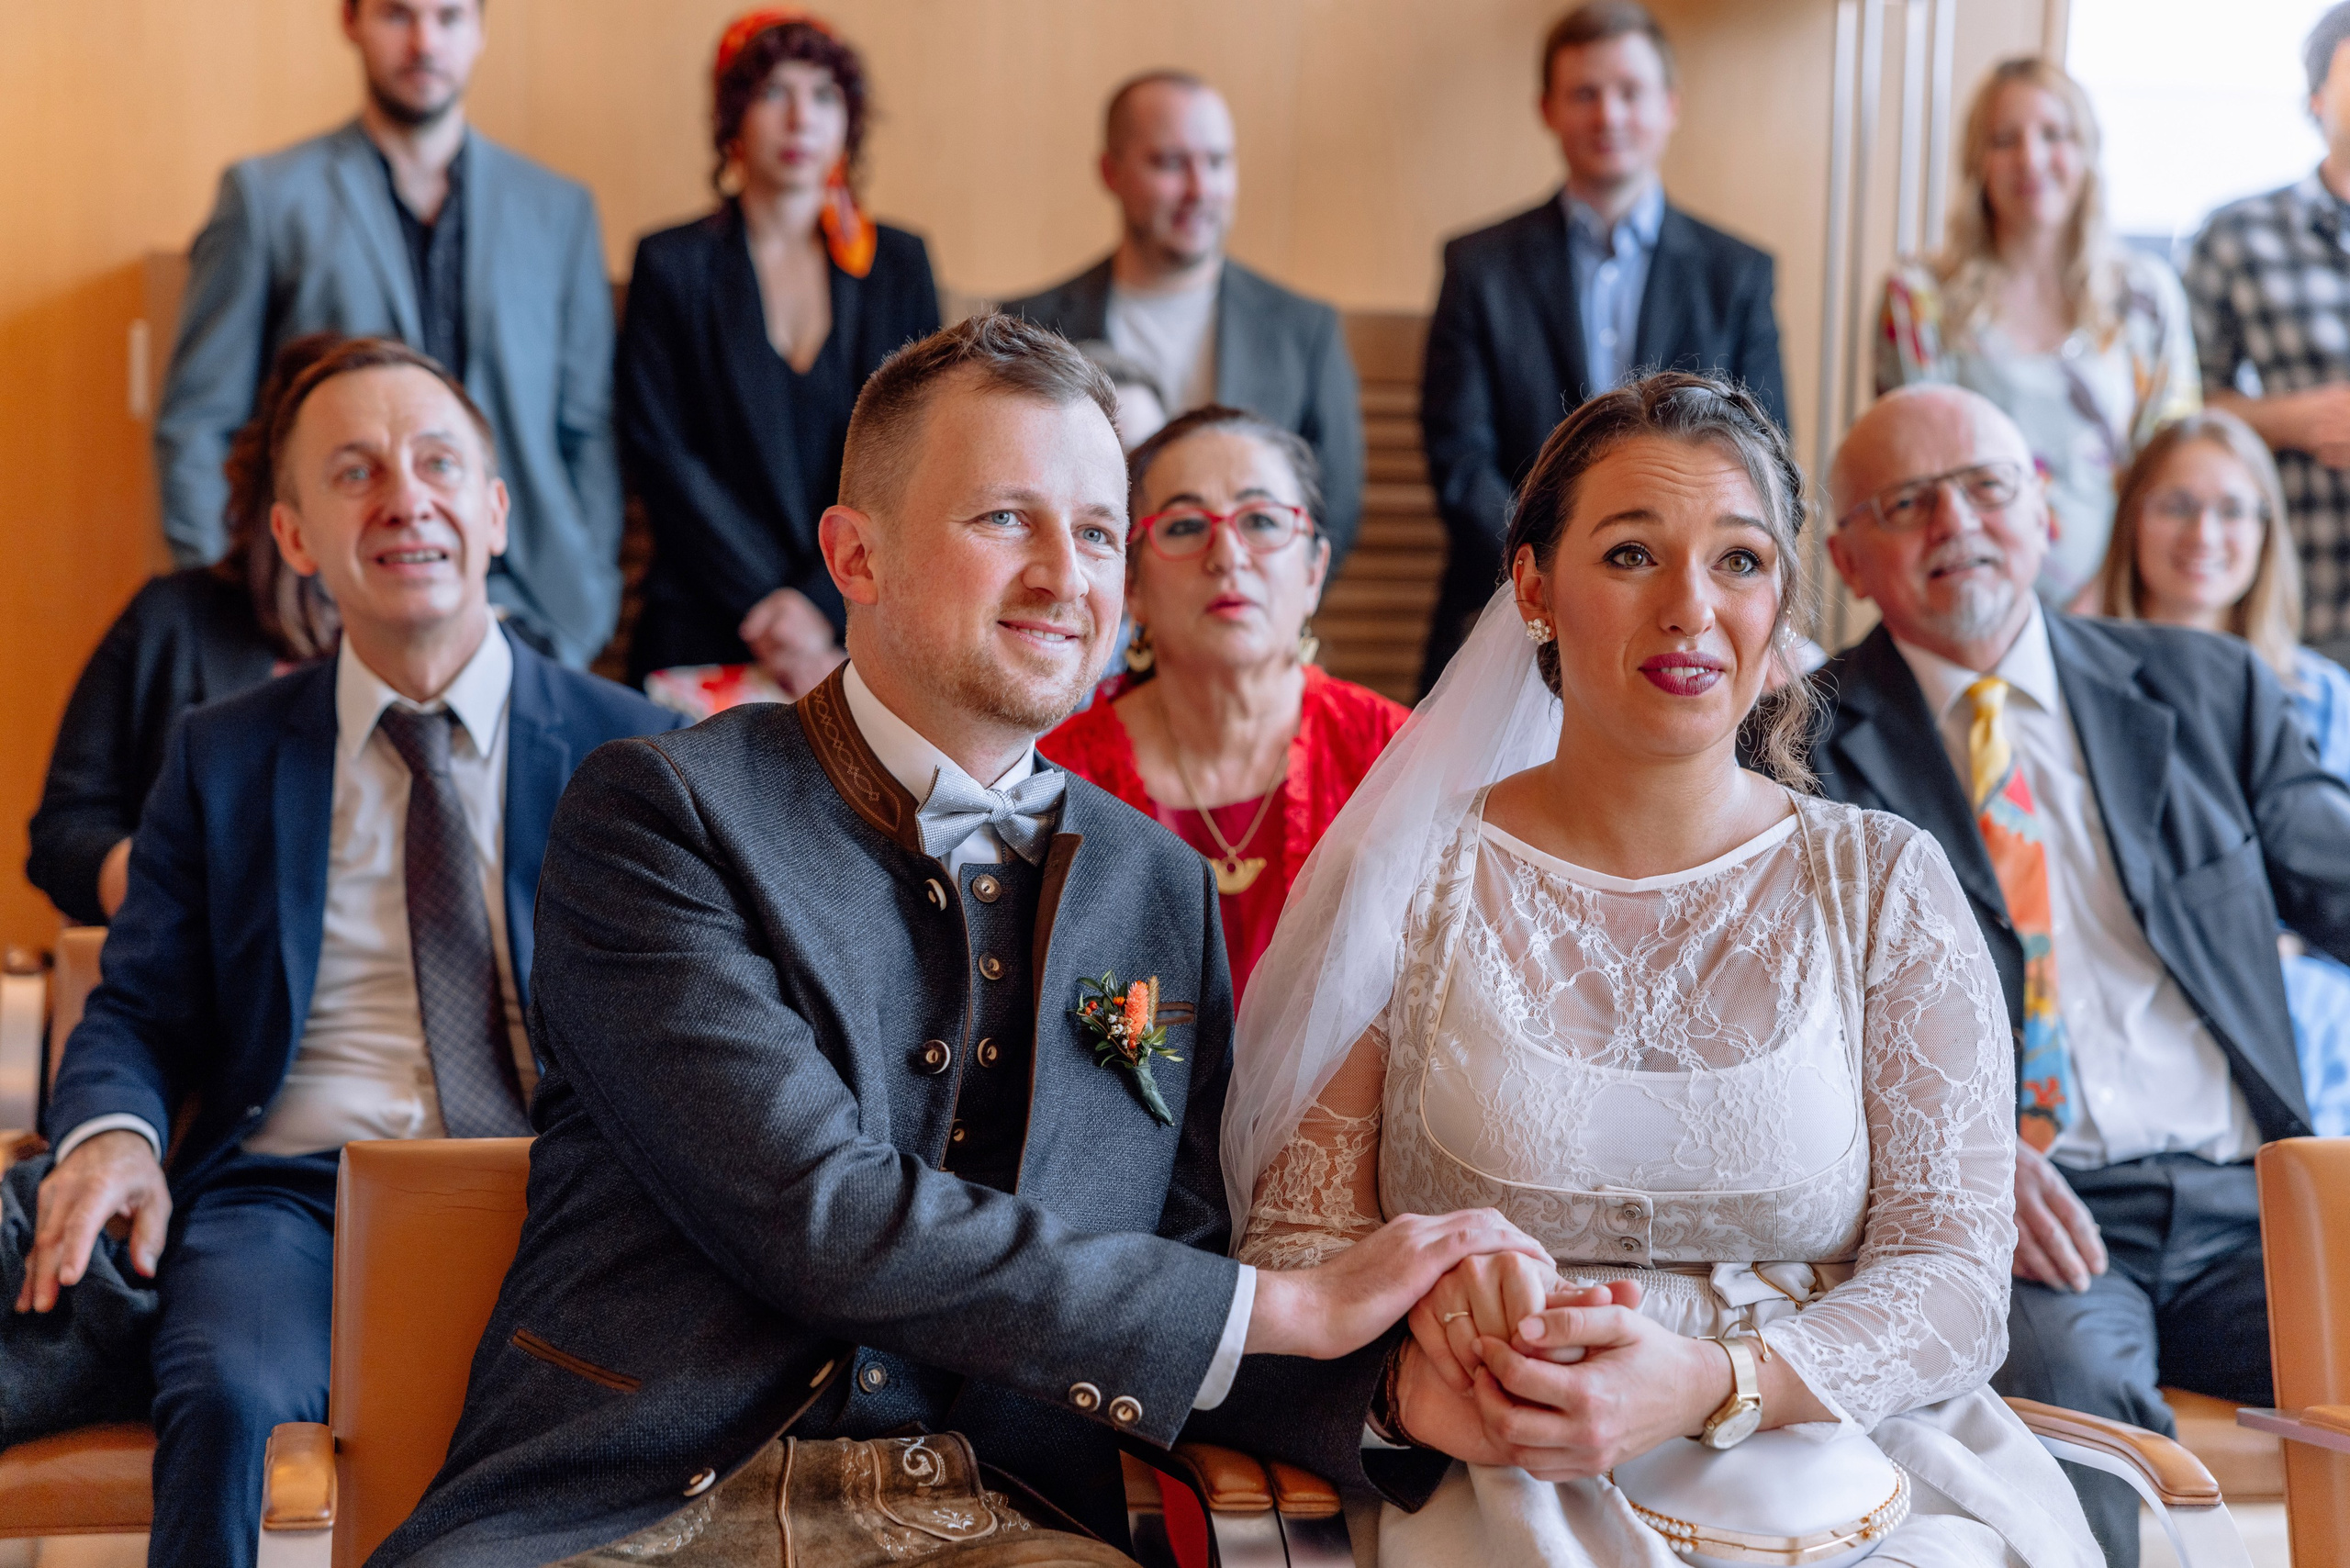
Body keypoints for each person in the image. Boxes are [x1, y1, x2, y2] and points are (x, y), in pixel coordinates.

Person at [370, 314, 1537, 1568]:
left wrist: (1390, 1398)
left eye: (1095, 532)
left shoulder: (1159, 886)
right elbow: (813, 1211)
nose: (1064, 575)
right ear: (854, 556)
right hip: (634, 1512)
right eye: (1004, 521)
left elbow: (1178, 1271)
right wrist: (1287, 1305)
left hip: (997, 1521)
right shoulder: (659, 814)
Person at [1223, 372, 2098, 1565]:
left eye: (1738, 561)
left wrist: (1716, 1381)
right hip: (1497, 1470)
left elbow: (1952, 1276)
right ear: (1535, 588)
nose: (1691, 607)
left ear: (1782, 597)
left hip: (1846, 1466)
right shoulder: (1411, 878)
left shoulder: (1885, 884)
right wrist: (1426, 1313)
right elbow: (1289, 1244)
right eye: (1633, 554)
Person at [18, 339, 681, 1568]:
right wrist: (113, 1135)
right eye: (355, 473)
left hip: (574, 1189)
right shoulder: (219, 753)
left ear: (493, 512)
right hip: (292, 1191)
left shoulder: (639, 751)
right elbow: (137, 1010)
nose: (403, 498)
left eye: (437, 465)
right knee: (221, 1395)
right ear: (296, 536)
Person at [1811, 384, 2350, 1566]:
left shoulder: (2211, 691)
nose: (1955, 519)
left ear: (2043, 511)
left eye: (1986, 486)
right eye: (1908, 502)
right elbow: (1789, 1029)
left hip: (2246, 1196)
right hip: (2030, 1216)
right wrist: (1950, 1149)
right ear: (1850, 556)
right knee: (2063, 1419)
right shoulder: (1799, 752)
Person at [153, 0, 621, 667]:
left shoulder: (558, 210)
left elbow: (587, 427)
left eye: (449, 17)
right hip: (322, 614)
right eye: (398, 14)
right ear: (351, 22)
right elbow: (198, 424)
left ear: (480, 30)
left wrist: (590, 595)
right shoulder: (265, 198)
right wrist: (232, 617)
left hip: (535, 611)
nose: (424, 41)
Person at [1418, 0, 1787, 696]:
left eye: (1629, 93)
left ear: (1670, 105)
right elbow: (1459, 460)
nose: (1608, 115)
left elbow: (1766, 457)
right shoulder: (1479, 266)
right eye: (1585, 94)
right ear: (1548, 109)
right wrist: (1553, 582)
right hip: (1505, 606)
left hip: (1690, 616)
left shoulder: (1735, 274)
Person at [618, 9, 941, 692]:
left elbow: (919, 448)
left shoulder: (899, 265)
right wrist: (771, 610)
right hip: (705, 618)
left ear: (849, 122)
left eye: (824, 96)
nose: (801, 119)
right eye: (773, 93)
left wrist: (821, 605)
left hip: (862, 615)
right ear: (732, 114)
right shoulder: (672, 263)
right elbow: (663, 452)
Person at [1038, 407, 1408, 1002]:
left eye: (1261, 520)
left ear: (1314, 570)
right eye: (1184, 527)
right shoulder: (1057, 781)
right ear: (1131, 585)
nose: (1228, 556)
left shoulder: (1397, 760)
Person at [29, 331, 343, 927]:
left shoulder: (452, 652)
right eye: (349, 472)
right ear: (283, 503)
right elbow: (63, 835)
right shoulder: (169, 620)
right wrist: (167, 890)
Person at [2096, 411, 2350, 1137]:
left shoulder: (2324, 695)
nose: (2204, 535)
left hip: (2309, 1004)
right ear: (2132, 517)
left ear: (2268, 531)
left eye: (2234, 510)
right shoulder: (2070, 683)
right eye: (2177, 505)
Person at [1004, 71, 1366, 567]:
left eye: (1217, 162)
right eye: (1171, 163)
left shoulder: (1306, 332)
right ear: (1111, 172)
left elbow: (1336, 513)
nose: (1200, 189)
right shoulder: (1027, 328)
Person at [1876, 57, 2200, 608]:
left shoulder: (2146, 296)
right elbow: (1914, 471)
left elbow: (2174, 464)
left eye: (2055, 134)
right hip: (1965, 602)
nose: (2031, 158)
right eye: (2005, 139)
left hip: (2121, 606)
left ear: (2087, 153)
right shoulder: (1919, 297)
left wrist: (2102, 598)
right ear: (1977, 161)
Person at [2184, 2, 2350, 659]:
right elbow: (2174, 411)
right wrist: (2297, 418)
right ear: (2316, 99)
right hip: (2296, 603)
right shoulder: (2238, 235)